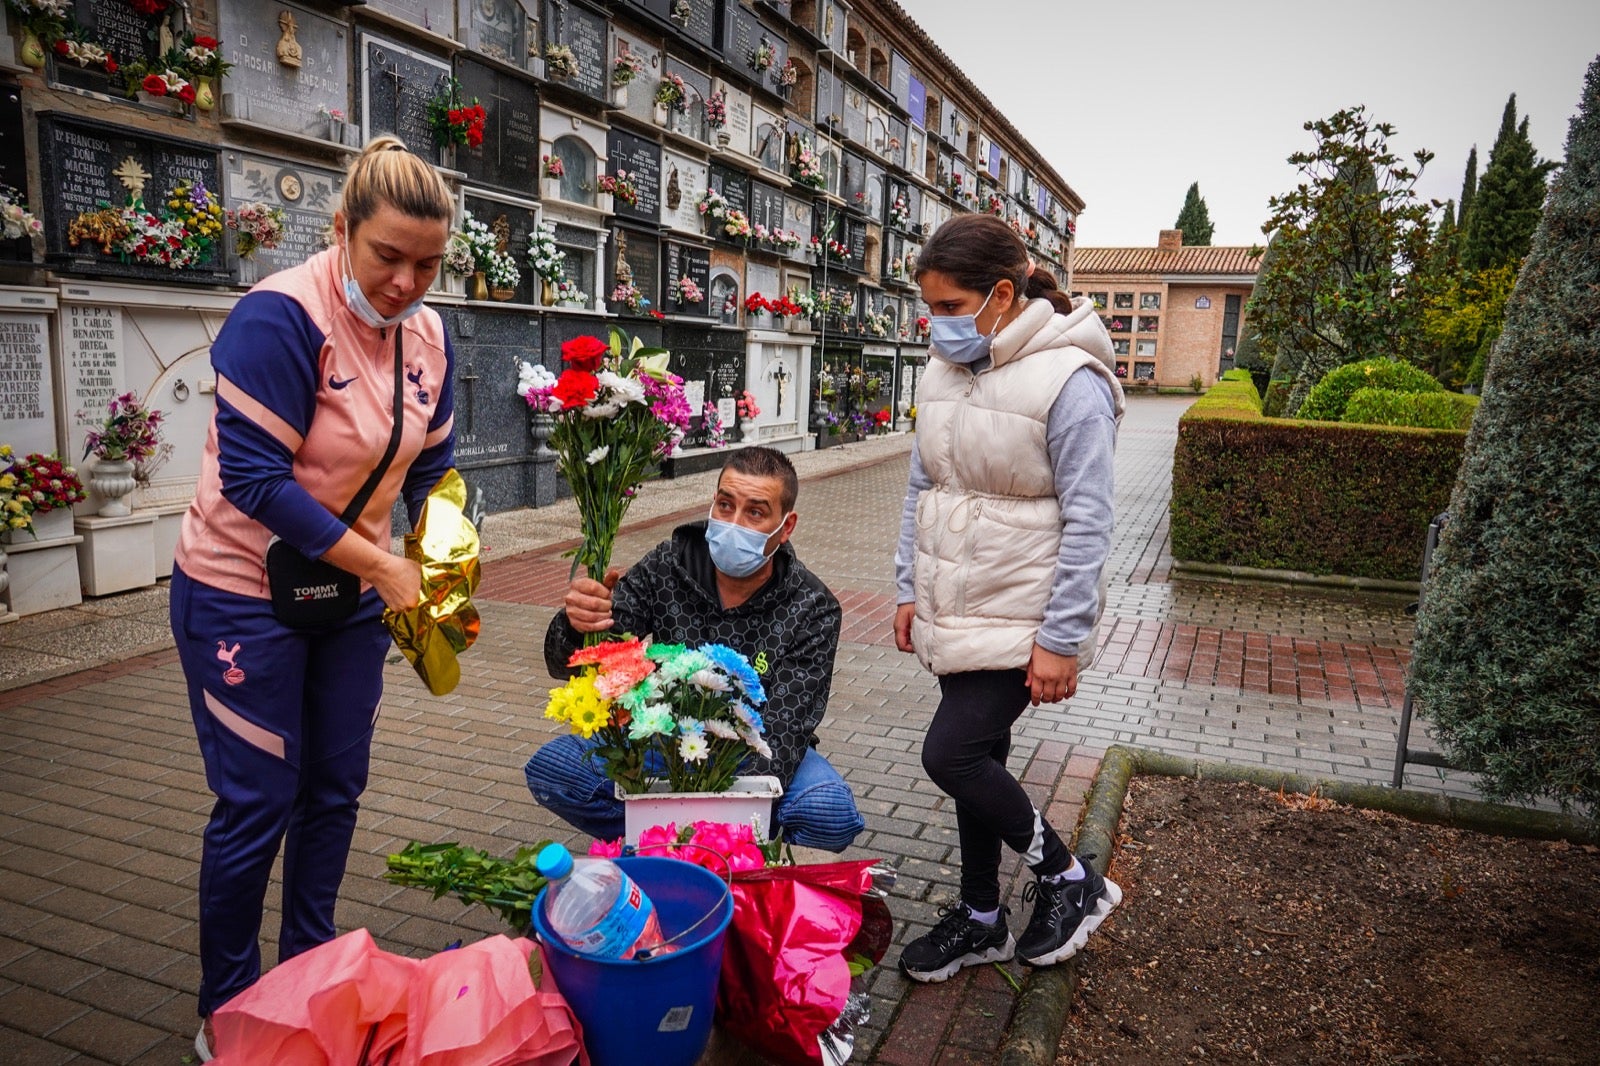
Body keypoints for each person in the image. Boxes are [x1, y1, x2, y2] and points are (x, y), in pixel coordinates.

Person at [169, 137, 457, 1059]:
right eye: (389, 256)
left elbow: (436, 464)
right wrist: (383, 566)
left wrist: (448, 555)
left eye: (429, 262)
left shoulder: (429, 332)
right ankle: (228, 1010)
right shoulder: (279, 317)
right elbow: (256, 481)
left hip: (351, 599)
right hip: (241, 592)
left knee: (333, 791)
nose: (409, 281)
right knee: (259, 800)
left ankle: (309, 974)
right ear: (342, 229)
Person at [892, 214, 1126, 983]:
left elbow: (1091, 517)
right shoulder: (945, 371)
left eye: (950, 308)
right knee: (979, 761)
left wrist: (1061, 638)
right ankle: (983, 917)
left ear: (1000, 293)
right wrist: (907, 590)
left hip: (1023, 615)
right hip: (956, 605)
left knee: (950, 754)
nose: (937, 326)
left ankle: (1066, 880)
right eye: (929, 309)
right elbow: (923, 486)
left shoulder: (1070, 380)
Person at [525, 447, 865, 852]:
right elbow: (589, 662)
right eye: (725, 505)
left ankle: (717, 848)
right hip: (663, 739)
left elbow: (786, 726)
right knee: (554, 770)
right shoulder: (670, 565)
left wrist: (727, 811)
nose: (733, 523)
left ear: (786, 526)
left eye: (755, 513)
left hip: (758, 752)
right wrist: (579, 622)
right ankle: (665, 842)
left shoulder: (812, 607)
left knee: (828, 813)